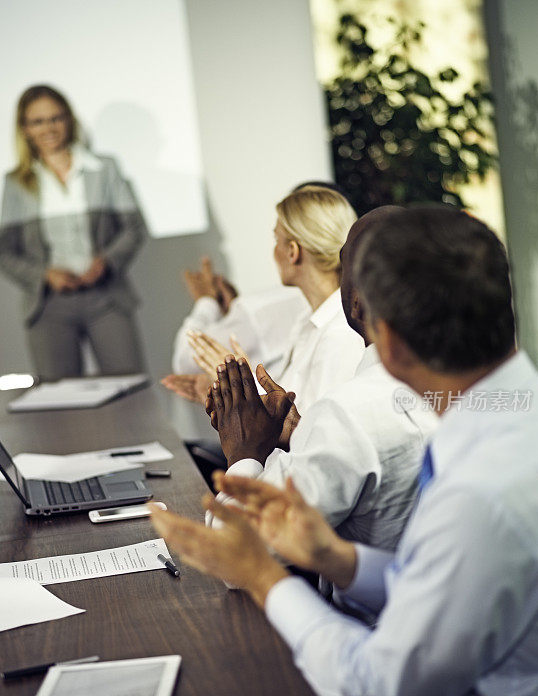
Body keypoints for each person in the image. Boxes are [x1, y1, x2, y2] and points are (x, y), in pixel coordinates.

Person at [149, 205, 538, 696]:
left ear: (386, 340)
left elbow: (379, 690)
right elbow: (449, 587)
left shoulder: (482, 489)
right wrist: (338, 559)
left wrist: (263, 577)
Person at [204, 208, 438, 552]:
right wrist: (302, 435)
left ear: (357, 302)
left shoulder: (350, 413)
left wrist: (244, 453)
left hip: (361, 604)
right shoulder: (465, 389)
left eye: (345, 269)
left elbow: (233, 549)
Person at [165, 184, 364, 415]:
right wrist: (236, 391)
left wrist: (241, 385)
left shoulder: (339, 335)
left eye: (276, 240)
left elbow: (309, 433)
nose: (274, 251)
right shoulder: (309, 321)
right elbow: (291, 404)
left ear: (292, 251)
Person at [0, 85, 147, 380]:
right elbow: (4, 253)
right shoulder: (16, 183)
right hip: (49, 305)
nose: (49, 128)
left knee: (130, 389)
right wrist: (44, 274)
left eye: (56, 118)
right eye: (38, 121)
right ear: (25, 129)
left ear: (69, 120)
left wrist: (107, 261)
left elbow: (134, 228)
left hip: (106, 297)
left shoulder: (103, 168)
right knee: (60, 401)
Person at [166, 256, 308, 403]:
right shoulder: (292, 302)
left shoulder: (257, 312)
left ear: (293, 249)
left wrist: (207, 302)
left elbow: (187, 359)